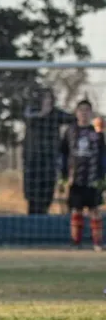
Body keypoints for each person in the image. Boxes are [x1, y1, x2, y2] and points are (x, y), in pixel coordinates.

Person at [59, 99, 105, 251]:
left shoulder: (96, 132)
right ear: (76, 113)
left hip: (93, 178)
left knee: (95, 210)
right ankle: (75, 243)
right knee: (75, 210)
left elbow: (103, 155)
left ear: (91, 113)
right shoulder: (70, 131)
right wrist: (63, 176)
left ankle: (98, 243)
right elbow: (63, 153)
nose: (84, 113)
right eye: (81, 110)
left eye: (87, 110)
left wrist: (102, 176)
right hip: (75, 178)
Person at [24, 89, 74, 214]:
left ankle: (44, 214)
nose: (48, 101)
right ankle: (32, 218)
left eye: (50, 98)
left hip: (50, 160)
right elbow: (26, 116)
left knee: (47, 191)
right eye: (45, 98)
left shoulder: (56, 114)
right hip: (33, 160)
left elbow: (73, 118)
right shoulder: (32, 112)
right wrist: (41, 114)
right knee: (33, 195)